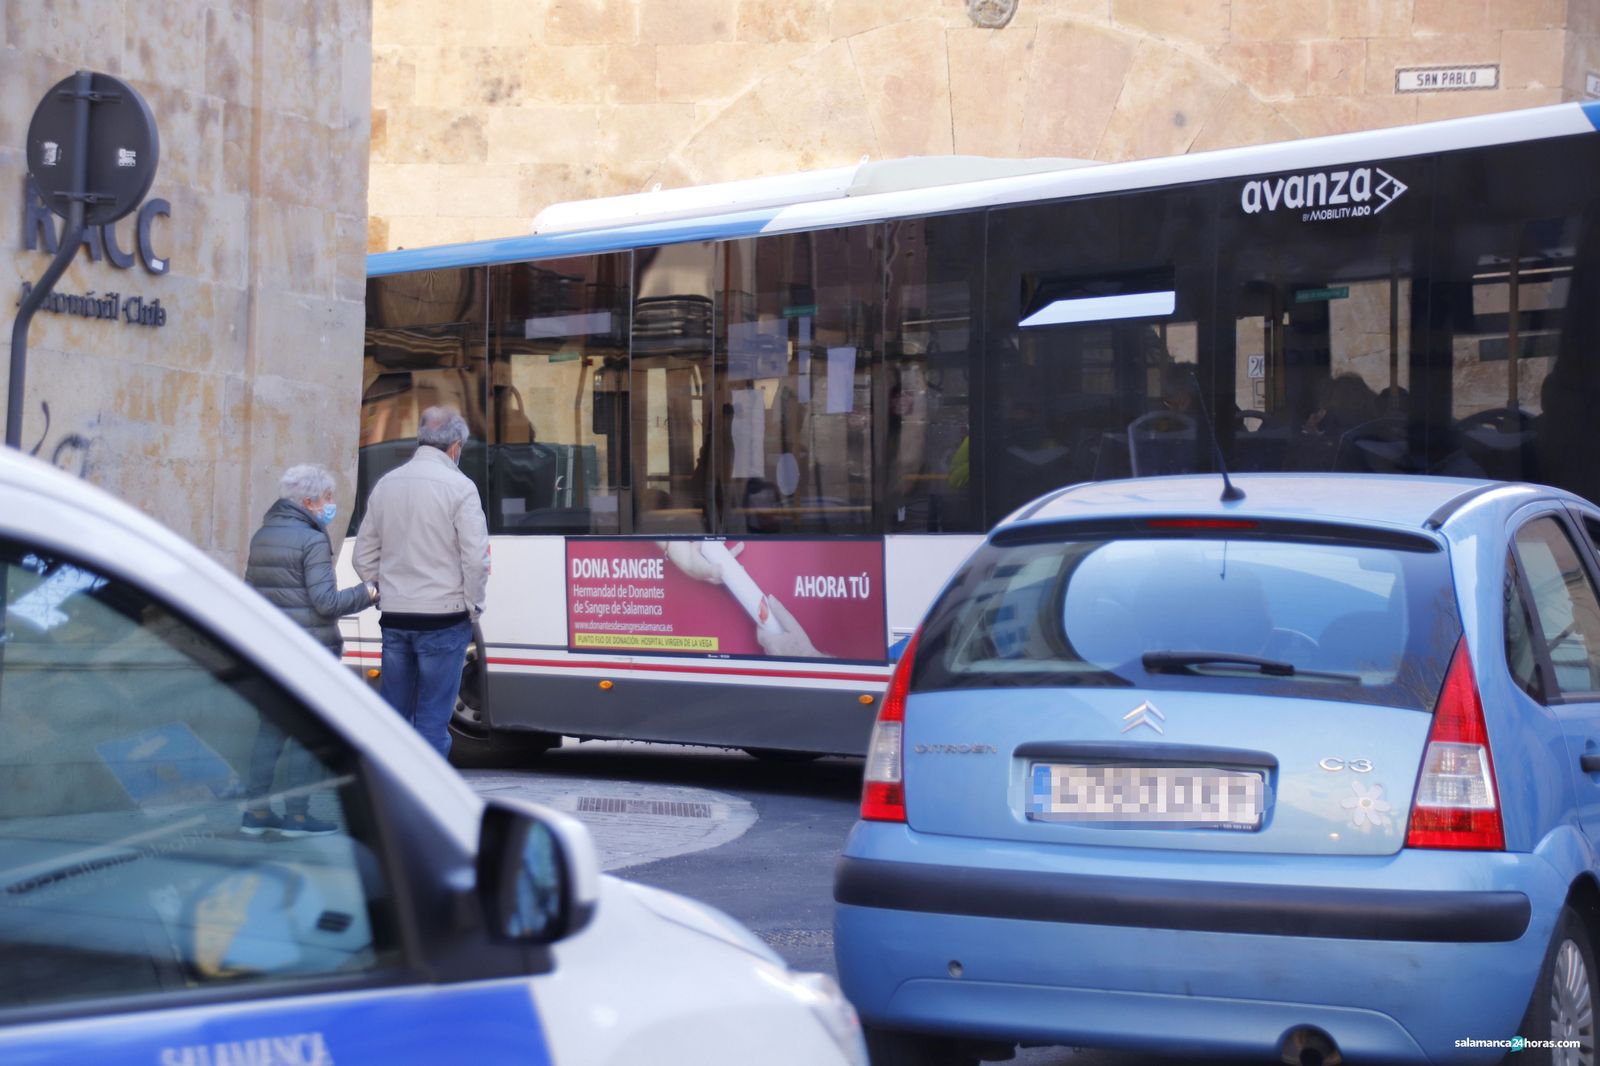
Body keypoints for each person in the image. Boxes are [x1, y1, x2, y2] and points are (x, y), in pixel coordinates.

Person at [242, 463, 376, 835]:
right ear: (308, 500)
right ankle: (297, 816)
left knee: (269, 732)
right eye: (327, 498)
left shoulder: (263, 535)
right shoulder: (312, 539)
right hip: (309, 652)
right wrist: (367, 593)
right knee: (305, 734)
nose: (330, 505)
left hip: (273, 651)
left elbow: (250, 595)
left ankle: (254, 812)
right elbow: (326, 602)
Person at [353, 406, 489, 758]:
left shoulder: (387, 484)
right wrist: (472, 604)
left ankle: (389, 795)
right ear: (456, 446)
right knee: (432, 721)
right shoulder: (461, 487)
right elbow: (475, 558)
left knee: (394, 720)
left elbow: (363, 554)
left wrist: (383, 592)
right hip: (444, 618)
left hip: (396, 618)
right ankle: (428, 803)